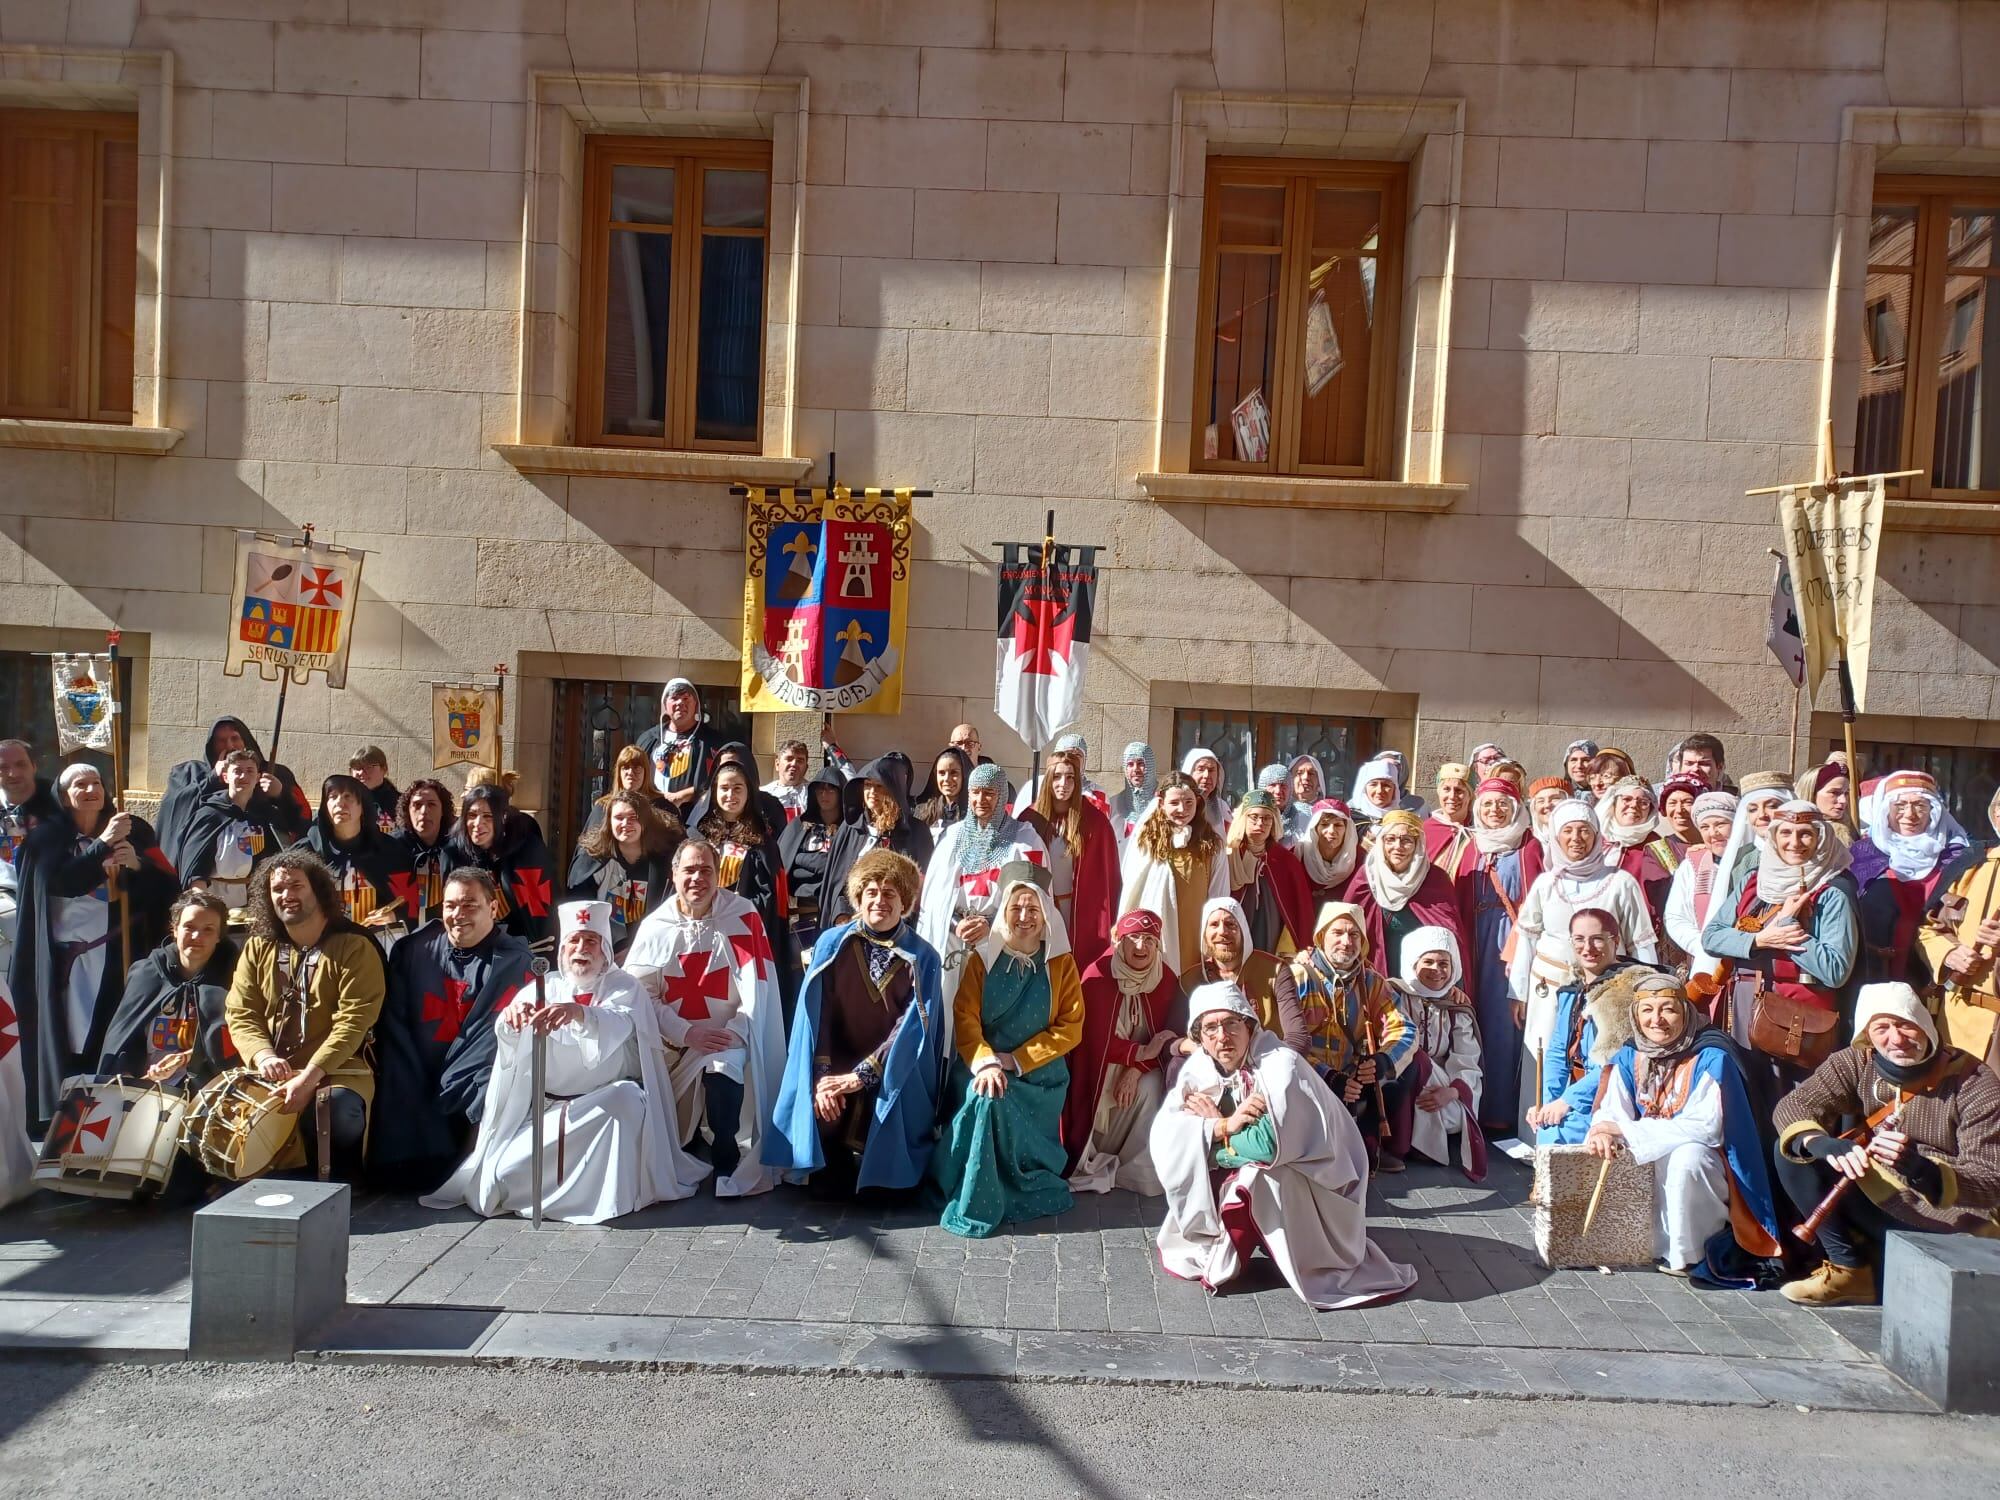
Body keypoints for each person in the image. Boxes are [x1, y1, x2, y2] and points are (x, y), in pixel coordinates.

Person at [422, 900, 707, 1224]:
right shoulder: (545, 987)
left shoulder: (624, 987)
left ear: (605, 950)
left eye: (590, 941)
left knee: (626, 1100)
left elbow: (618, 1023)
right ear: (563, 947)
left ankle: (602, 1200)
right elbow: (510, 1048)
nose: (581, 949)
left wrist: (580, 1014)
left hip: (601, 1111)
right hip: (547, 1114)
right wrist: (512, 1022)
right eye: (574, 940)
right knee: (502, 1176)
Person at [1152, 980, 1417, 1309]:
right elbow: (1168, 1134)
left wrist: (1214, 1141)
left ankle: (1244, 1258)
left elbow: (1268, 1146)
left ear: (1250, 1026)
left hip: (1324, 1188)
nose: (1222, 1036)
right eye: (1210, 1028)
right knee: (1215, 1169)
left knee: (1256, 1178)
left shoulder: (1280, 1066)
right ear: (1201, 1038)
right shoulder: (1202, 1066)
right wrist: (1222, 1124)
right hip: (1281, 1169)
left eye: (1231, 1023)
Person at [1772, 981, 2000, 1306]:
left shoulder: (1974, 1082)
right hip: (1885, 1195)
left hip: (1951, 1219)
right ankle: (1849, 1269)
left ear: (1924, 1024)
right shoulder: (1858, 1061)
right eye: (1881, 1028)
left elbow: (1992, 1180)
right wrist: (1822, 1144)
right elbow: (1794, 1106)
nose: (1896, 1039)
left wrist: (1925, 1171)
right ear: (1867, 1033)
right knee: (1792, 1151)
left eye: (1905, 1025)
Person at [765, 849, 946, 1199]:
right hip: (836, 1064)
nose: (880, 900)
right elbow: (820, 1015)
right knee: (828, 1186)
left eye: (890, 893)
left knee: (887, 1193)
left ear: (905, 902)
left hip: (893, 1070)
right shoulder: (834, 944)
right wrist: (823, 1080)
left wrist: (862, 1075)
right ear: (859, 898)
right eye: (872, 892)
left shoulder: (923, 957)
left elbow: (910, 1032)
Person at [1583, 971, 1782, 1277]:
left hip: (1706, 1163)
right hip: (1650, 1150)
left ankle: (1690, 1252)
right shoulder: (1631, 1053)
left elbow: (1706, 1127)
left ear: (1685, 1012)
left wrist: (1626, 1130)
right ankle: (1638, 1242)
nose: (1656, 1020)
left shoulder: (1712, 1056)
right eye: (1647, 1010)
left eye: (1668, 1009)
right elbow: (1613, 1109)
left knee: (1687, 1157)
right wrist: (1602, 1129)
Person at [11, 764, 176, 1126]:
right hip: (65, 962)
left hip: (117, 953)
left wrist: (137, 866)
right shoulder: (47, 838)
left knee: (111, 1034)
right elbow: (61, 883)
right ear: (64, 795)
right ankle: (64, 1120)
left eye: (96, 782)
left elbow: (165, 892)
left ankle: (108, 1118)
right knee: (69, 1042)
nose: (91, 790)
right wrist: (101, 846)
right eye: (80, 784)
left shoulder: (134, 831)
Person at [623, 838, 786, 1198]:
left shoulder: (741, 916)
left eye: (706, 870)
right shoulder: (656, 925)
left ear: (719, 875)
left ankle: (725, 1152)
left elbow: (758, 991)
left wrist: (735, 1031)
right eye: (690, 870)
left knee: (723, 1068)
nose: (698, 878)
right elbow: (639, 995)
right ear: (675, 874)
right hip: (673, 1044)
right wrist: (685, 1033)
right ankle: (689, 1141)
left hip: (728, 1034)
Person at [930, 863, 1084, 1238]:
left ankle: (1003, 1186)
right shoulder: (982, 959)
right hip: (981, 1064)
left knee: (995, 1097)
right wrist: (985, 1062)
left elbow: (1071, 1027)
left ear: (1046, 913)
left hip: (1039, 1076)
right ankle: (970, 1191)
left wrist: (1016, 1060)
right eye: (1016, 907)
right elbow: (965, 1018)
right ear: (1004, 911)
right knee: (987, 1096)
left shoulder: (1062, 965)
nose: (1025, 917)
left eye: (1033, 908)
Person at [368, 866, 537, 1190]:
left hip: (469, 1086)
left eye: (470, 905)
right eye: (450, 906)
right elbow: (397, 1026)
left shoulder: (515, 963)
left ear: (493, 908)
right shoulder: (413, 951)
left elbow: (496, 1039)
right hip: (414, 1072)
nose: (458, 915)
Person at [225, 850, 387, 1179]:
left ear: (317, 889)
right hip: (272, 1070)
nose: (287, 895)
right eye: (277, 889)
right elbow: (241, 1012)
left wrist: (310, 1077)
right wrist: (263, 1056)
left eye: (296, 886)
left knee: (337, 1110)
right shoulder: (257, 947)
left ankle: (340, 1183)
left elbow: (353, 1023)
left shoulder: (354, 946)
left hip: (340, 1068)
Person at [1509, 799, 1659, 1125]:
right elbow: (1527, 937)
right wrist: (1518, 993)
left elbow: (1640, 941)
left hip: (1605, 990)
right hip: (1548, 988)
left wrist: (1649, 991)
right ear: (1556, 837)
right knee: (1545, 1055)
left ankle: (1591, 1129)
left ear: (1597, 835)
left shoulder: (1620, 883)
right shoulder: (1547, 883)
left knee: (1594, 1056)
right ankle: (1539, 1134)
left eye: (1584, 831)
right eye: (1568, 832)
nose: (1576, 839)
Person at [1700, 800, 1859, 1053]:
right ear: (1773, 837)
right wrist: (1759, 940)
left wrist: (1788, 926)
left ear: (1820, 837)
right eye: (1785, 833)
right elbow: (1711, 937)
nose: (1794, 842)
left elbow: (1835, 970)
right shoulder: (1753, 881)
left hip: (1798, 1016)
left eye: (1805, 833)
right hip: (1743, 1007)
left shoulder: (1831, 893)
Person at [1290, 902, 1416, 1167]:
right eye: (1338, 932)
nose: (1346, 941)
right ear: (1322, 936)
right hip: (1306, 1075)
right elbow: (1282, 1041)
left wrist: (1382, 1061)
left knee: (1410, 1067)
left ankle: (1373, 1146)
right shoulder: (1297, 977)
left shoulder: (1372, 982)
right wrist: (1327, 1076)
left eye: (1354, 934)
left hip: (1353, 1075)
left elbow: (1404, 1028)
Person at [1066, 910, 1181, 1194]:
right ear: (1119, 941)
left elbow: (1167, 1037)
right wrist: (1139, 1052)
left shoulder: (1166, 979)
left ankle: (1137, 1171)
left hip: (1135, 1074)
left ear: (1158, 945)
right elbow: (1091, 1041)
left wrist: (1136, 1068)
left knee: (1153, 1084)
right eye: (1133, 939)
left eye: (1149, 940)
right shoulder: (1097, 975)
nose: (1141, 947)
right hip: (1098, 1078)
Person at [918, 762, 1046, 1011]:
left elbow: (1035, 900)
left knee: (991, 1012)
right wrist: (956, 924)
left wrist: (991, 924)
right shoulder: (952, 838)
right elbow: (934, 898)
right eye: (975, 792)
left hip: (1002, 939)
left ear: (1002, 795)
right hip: (954, 938)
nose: (980, 799)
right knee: (948, 1009)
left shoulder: (1025, 840)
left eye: (989, 792)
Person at [97, 888, 240, 1091]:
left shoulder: (232, 978)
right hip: (144, 1088)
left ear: (219, 936)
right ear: (175, 929)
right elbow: (124, 1038)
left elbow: (234, 1043)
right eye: (189, 927)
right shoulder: (147, 973)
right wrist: (129, 1078)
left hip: (206, 1092)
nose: (197, 936)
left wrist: (185, 1058)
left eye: (208, 929)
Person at [1850, 769, 1967, 989]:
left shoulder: (1959, 859)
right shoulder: (1861, 856)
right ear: (1885, 810)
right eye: (1900, 805)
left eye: (1920, 805)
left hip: (1939, 976)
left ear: (1934, 811)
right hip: (1871, 976)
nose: (1910, 814)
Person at [1526, 909, 1634, 1147]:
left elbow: (1616, 1061)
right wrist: (1547, 1103)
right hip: (1583, 1094)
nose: (1588, 948)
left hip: (1615, 1096)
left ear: (1614, 942)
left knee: (1556, 1135)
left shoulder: (1627, 993)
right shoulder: (1572, 992)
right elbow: (1556, 1052)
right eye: (1579, 939)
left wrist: (1569, 1100)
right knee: (1546, 1125)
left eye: (1597, 938)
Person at [690, 755, 792, 1002]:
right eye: (724, 788)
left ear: (749, 793)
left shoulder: (762, 840)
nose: (730, 795)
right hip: (700, 932)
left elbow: (770, 897)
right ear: (714, 792)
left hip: (742, 935)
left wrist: (736, 903)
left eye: (738, 788)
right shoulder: (697, 835)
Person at [1461, 777, 1532, 1134]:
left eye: (1502, 804)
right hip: (1472, 936)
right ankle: (1470, 1104)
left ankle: (1499, 1109)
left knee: (1504, 1023)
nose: (1495, 811)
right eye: (1488, 804)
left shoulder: (1528, 847)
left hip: (1510, 940)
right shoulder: (1469, 845)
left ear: (1516, 808)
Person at [1387, 927, 1484, 1180]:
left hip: (1441, 1083)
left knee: (1454, 1114)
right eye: (1427, 961)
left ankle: (1418, 1140)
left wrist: (1451, 1092)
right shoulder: (1391, 994)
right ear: (1412, 963)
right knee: (1414, 1057)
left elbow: (1467, 1058)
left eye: (1444, 963)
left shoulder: (1456, 1005)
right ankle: (1399, 1144)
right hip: (1398, 1081)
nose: (1437, 970)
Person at [154, 716, 310, 862]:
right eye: (221, 740)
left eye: (235, 738)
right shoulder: (189, 773)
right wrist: (211, 779)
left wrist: (281, 795)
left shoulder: (275, 773)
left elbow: (301, 820)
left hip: (260, 867)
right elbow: (174, 810)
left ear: (246, 741)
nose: (229, 746)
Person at [1118, 771, 1226, 979]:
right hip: (1155, 933)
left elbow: (1218, 895)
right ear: (1161, 804)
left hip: (1194, 936)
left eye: (1188, 802)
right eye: (1174, 802)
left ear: (1198, 802)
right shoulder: (1146, 842)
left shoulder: (1211, 845)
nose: (1182, 809)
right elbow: (1132, 889)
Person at [1921, 786, 2000, 1066]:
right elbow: (1927, 927)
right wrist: (1948, 953)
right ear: (1996, 814)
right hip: (1960, 1021)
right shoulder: (1971, 865)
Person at [1341, 808, 1466, 984]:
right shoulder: (1366, 877)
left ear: (1418, 845)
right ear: (1381, 843)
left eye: (1406, 840)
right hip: (1375, 972)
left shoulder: (1436, 880)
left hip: (1425, 977)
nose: (1397, 847)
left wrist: (1453, 984)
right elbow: (1345, 926)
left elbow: (1450, 937)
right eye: (1390, 839)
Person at [1025, 747, 1120, 974]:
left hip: (1079, 913)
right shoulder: (1030, 819)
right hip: (1041, 908)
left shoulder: (1095, 822)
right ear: (1047, 779)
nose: (1063, 784)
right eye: (1057, 777)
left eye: (1070, 777)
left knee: (1075, 970)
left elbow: (1110, 878)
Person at [1180, 896, 1308, 1053]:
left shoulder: (1275, 971)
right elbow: (1173, 1039)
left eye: (1230, 924)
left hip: (1269, 1061)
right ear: (1204, 935)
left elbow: (1297, 1037)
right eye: (1214, 924)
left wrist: (1275, 1065)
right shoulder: (1190, 979)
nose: (1222, 931)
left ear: (1243, 931)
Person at [822, 752, 934, 929]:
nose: (872, 792)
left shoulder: (917, 832)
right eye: (868, 785)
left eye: (880, 786)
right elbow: (837, 883)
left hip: (898, 925)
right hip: (850, 923)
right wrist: (841, 915)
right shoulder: (851, 829)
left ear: (894, 789)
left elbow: (921, 890)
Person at [566, 790, 679, 960]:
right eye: (619, 817)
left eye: (633, 817)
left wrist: (635, 947)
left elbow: (670, 913)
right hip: (601, 951)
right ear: (609, 822)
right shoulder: (593, 861)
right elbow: (581, 914)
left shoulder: (664, 862)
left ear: (645, 822)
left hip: (653, 949)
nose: (626, 823)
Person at [172, 748, 288, 910]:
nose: (243, 776)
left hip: (255, 902)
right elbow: (196, 866)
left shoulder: (264, 815)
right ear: (226, 777)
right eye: (237, 771)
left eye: (249, 771)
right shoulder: (210, 814)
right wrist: (203, 904)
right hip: (214, 899)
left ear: (257, 778)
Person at [445, 782, 556, 948]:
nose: (478, 823)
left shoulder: (526, 851)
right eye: (472, 815)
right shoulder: (454, 853)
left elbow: (539, 911)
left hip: (522, 943)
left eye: (488, 816)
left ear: (502, 817)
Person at [304, 774, 414, 935]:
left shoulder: (389, 850)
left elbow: (410, 901)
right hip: (324, 943)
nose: (340, 803)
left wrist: (394, 915)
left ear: (362, 806)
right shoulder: (308, 851)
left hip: (375, 942)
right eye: (333, 797)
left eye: (348, 796)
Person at [775, 763, 848, 980]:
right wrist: (825, 865)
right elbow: (787, 864)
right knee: (799, 977)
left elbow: (847, 868)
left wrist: (806, 862)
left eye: (831, 789)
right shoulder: (800, 825)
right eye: (820, 789)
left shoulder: (850, 829)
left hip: (837, 914)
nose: (824, 794)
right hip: (800, 913)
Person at [1225, 789, 1316, 958]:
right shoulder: (1228, 856)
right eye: (1254, 817)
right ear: (1243, 819)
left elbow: (1301, 909)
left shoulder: (1285, 860)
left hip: (1270, 939)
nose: (1260, 823)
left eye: (1267, 818)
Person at [0, 739, 59, 980]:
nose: (12, 773)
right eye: (2, 767)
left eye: (20, 764)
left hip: (47, 906)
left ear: (34, 766)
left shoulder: (60, 804)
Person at [1663, 789, 1739, 974]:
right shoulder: (1692, 865)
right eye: (1705, 827)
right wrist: (1706, 946)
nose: (1713, 833)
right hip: (1705, 963)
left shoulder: (1756, 862)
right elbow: (1675, 917)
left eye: (1721, 824)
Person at [635, 677, 719, 820]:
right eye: (674, 698)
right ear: (665, 705)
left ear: (696, 704)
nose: (680, 703)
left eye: (686, 698)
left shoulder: (712, 741)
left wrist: (684, 795)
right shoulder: (648, 739)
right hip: (651, 817)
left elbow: (720, 779)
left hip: (692, 819)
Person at [1595, 775, 1676, 921]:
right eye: (1626, 799)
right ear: (1613, 803)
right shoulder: (1594, 840)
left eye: (1643, 802)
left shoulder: (1658, 846)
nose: (1633, 806)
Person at [391, 777, 456, 930]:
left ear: (443, 811)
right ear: (407, 810)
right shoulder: (392, 847)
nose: (424, 811)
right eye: (417, 805)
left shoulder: (456, 847)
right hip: (403, 931)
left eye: (431, 805)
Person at [581, 744, 674, 837]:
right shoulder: (604, 808)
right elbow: (587, 848)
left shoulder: (663, 808)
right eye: (625, 768)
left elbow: (678, 846)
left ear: (646, 773)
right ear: (619, 773)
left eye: (636, 768)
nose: (630, 773)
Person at [1296, 798, 1359, 910]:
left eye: (1338, 825)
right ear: (1315, 828)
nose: (1331, 831)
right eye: (1324, 824)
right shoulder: (1297, 856)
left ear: (1347, 829)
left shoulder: (1360, 860)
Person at [912, 745, 972, 843]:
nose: (947, 779)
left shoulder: (974, 814)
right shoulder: (922, 812)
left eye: (954, 773)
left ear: (964, 775)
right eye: (942, 773)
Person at [1106, 741, 1156, 850]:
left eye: (1141, 763)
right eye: (1130, 764)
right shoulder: (1113, 805)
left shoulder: (1162, 803)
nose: (1135, 769)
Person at [1180, 747, 1232, 838]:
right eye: (1200, 769)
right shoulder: (1173, 804)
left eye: (1211, 770)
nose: (1207, 775)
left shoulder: (1222, 808)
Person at [348, 745, 400, 836]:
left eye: (369, 767)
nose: (361, 773)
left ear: (384, 769)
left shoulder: (400, 804)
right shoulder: (342, 801)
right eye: (357, 767)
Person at [762, 738, 814, 820]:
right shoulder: (763, 794)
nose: (794, 764)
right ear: (777, 764)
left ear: (806, 767)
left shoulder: (815, 794)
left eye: (800, 760)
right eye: (789, 759)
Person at [1656, 772, 1707, 855]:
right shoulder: (1657, 851)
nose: (1679, 810)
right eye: (1672, 803)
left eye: (1688, 802)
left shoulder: (1719, 844)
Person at [1282, 753, 1326, 844]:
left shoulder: (1328, 811)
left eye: (1311, 773)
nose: (1306, 777)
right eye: (1299, 773)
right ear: (1290, 779)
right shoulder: (1280, 809)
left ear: (1319, 781)